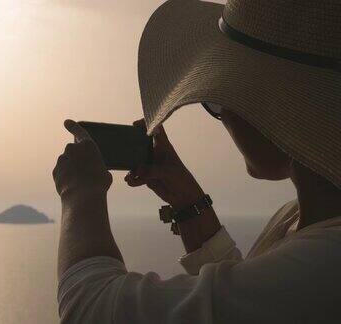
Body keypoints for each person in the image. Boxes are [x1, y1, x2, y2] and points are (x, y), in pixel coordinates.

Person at [52, 0, 341, 323]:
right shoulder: (299, 220)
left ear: (278, 111)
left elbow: (91, 309)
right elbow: (249, 304)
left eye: (219, 100)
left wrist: (79, 193)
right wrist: (189, 204)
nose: (223, 117)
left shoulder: (328, 261)